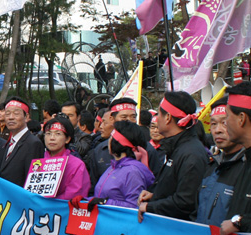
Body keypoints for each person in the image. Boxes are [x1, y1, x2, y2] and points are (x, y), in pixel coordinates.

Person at [138, 91, 208, 222]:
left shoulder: (191, 153)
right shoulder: (177, 146)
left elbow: (185, 202)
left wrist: (151, 207)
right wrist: (155, 196)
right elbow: (175, 188)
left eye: (159, 114)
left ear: (168, 117)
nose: (156, 118)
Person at [193, 98, 245, 226]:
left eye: (224, 122)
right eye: (213, 124)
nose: (217, 130)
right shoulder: (211, 166)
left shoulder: (246, 167)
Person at [93, 121, 154, 208]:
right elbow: (99, 197)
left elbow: (134, 206)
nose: (108, 142)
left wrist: (105, 202)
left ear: (116, 142)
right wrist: (86, 200)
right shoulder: (113, 167)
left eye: (111, 138)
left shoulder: (132, 172)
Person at [220, 81, 251, 235]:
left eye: (226, 116)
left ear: (241, 119)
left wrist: (239, 222)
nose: (224, 123)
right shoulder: (246, 159)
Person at [0, 97, 45, 187]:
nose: (11, 117)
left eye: (16, 114)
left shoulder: (33, 143)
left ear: (26, 117)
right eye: (7, 114)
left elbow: (33, 179)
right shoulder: (8, 144)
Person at [43, 116, 90, 200]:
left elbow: (74, 197)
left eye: (58, 134)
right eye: (48, 133)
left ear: (67, 139)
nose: (52, 138)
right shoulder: (38, 162)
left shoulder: (77, 165)